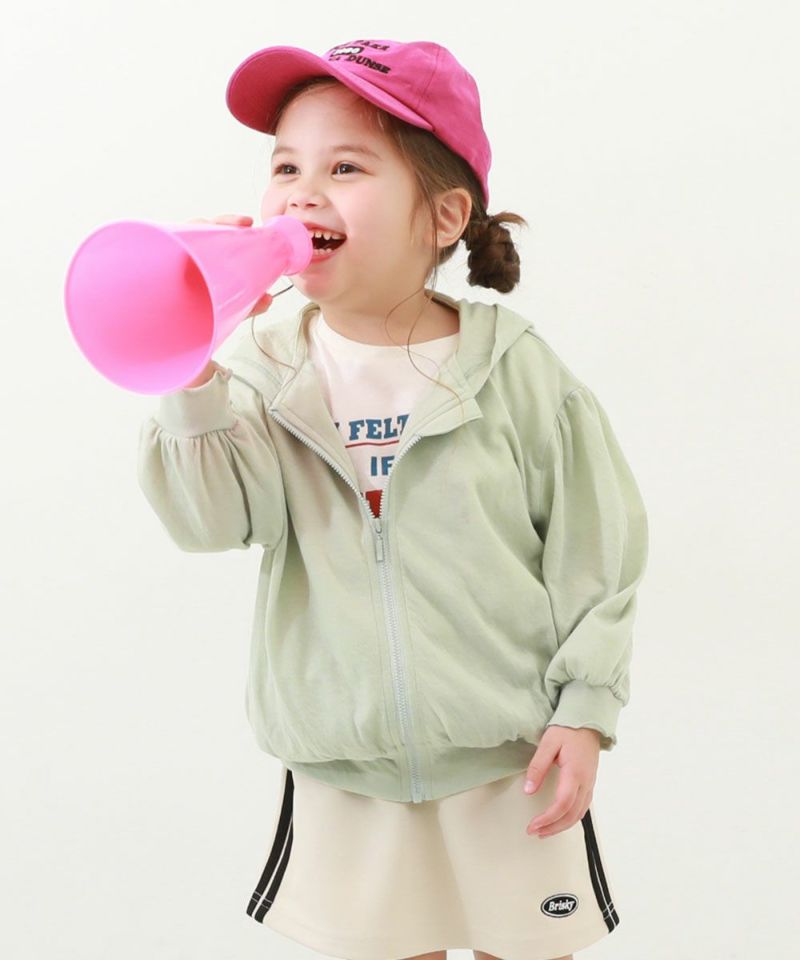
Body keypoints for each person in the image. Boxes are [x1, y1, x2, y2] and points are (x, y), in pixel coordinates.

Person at [137, 37, 649, 960]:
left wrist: (585, 706)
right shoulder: (262, 371)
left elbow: (596, 546)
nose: (302, 193)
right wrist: (193, 361)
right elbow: (213, 522)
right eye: (285, 166)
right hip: (347, 770)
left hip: (510, 759)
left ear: (443, 216)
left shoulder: (516, 370)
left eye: (345, 167)